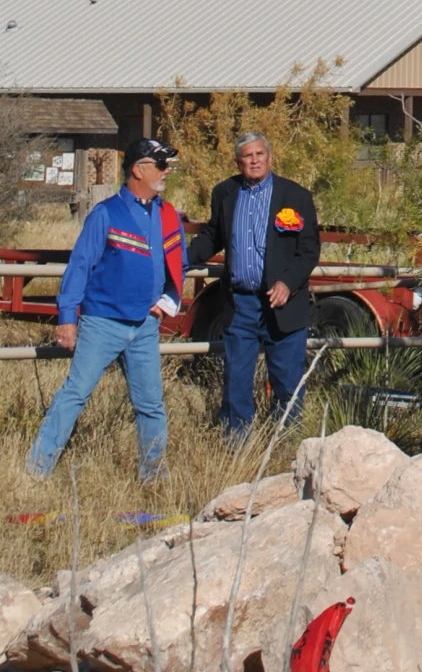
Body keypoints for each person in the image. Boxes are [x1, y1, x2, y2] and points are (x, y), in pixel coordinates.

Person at [26, 140, 185, 480]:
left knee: (151, 405)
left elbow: (178, 263)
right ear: (139, 170)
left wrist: (166, 303)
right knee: (74, 395)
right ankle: (37, 470)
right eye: (160, 165)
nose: (166, 171)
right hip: (101, 323)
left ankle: (154, 477)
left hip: (145, 325)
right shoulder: (105, 214)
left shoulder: (167, 213)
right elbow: (79, 268)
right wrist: (68, 319)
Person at [185, 132, 322, 435]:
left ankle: (284, 445)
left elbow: (309, 249)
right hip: (240, 304)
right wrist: (179, 259)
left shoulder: (295, 196)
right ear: (238, 161)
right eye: (248, 156)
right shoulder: (225, 193)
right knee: (236, 380)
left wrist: (287, 283)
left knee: (287, 381)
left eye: (260, 154)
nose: (255, 160)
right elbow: (213, 237)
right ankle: (237, 445)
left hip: (282, 304)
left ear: (269, 157)